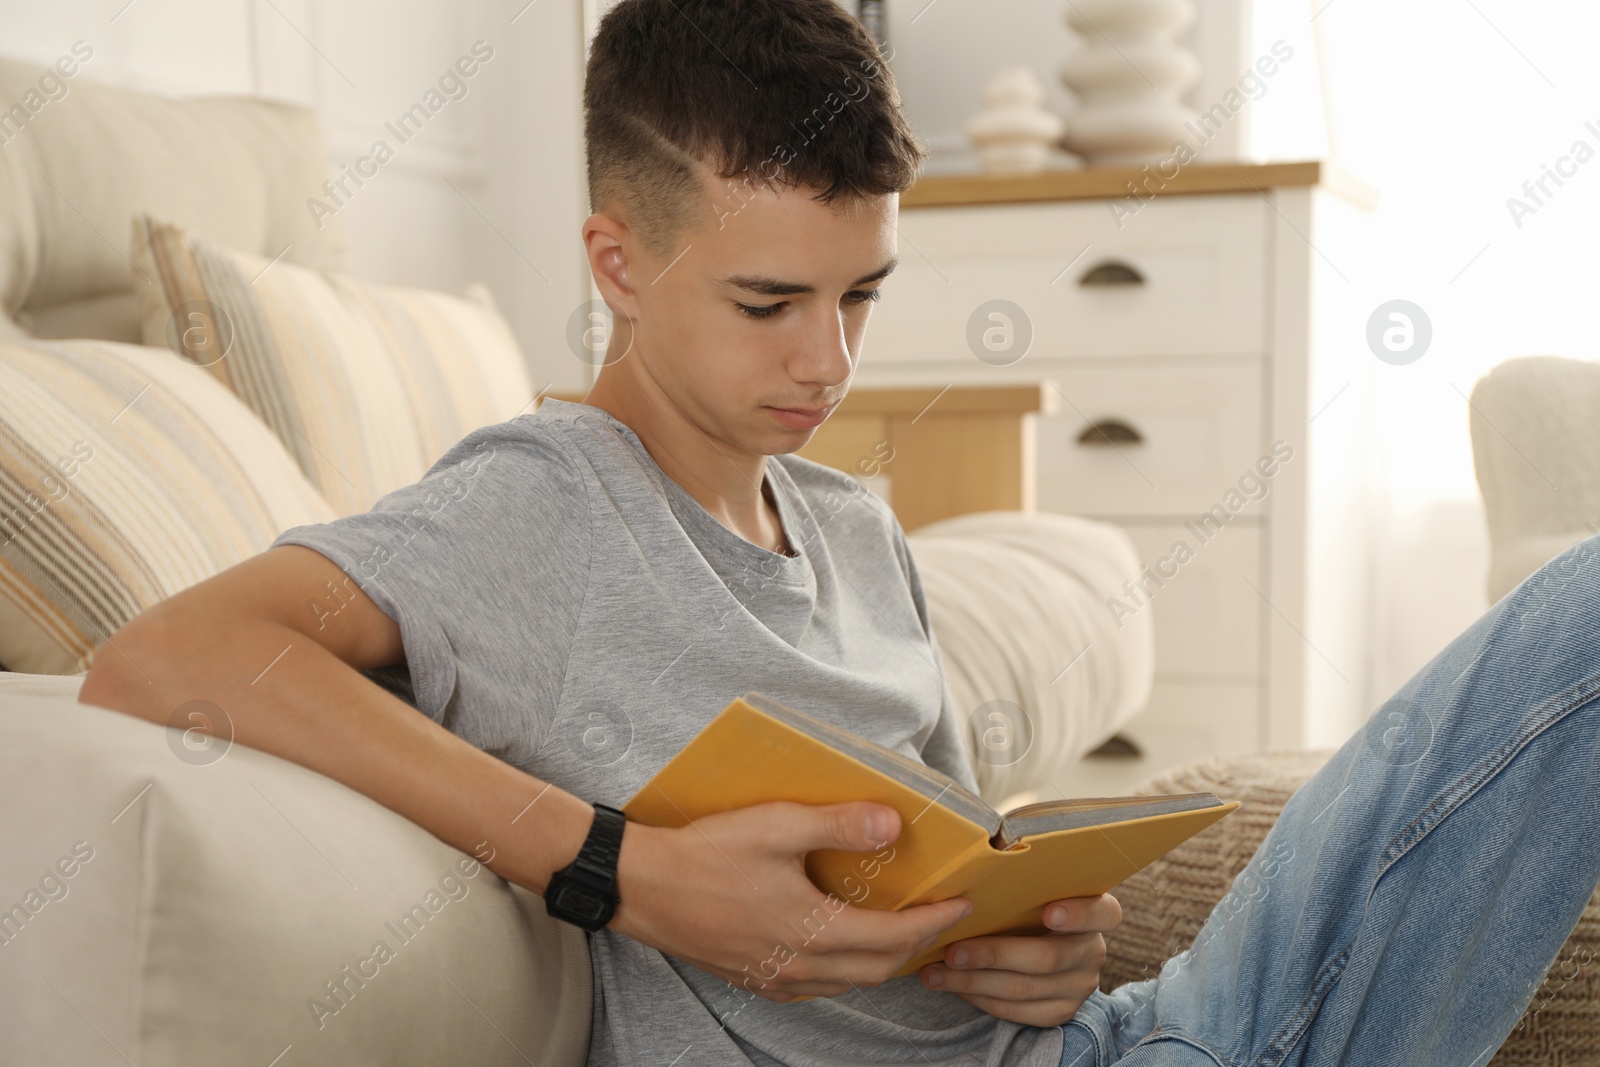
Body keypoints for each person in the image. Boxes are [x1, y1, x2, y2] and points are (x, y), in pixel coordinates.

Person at [82, 1, 1600, 1064]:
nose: (830, 363)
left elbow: (956, 881)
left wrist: (1036, 950)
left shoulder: (856, 531)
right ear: (617, 259)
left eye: (860, 296)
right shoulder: (541, 501)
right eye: (769, 305)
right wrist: (615, 871)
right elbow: (168, 654)